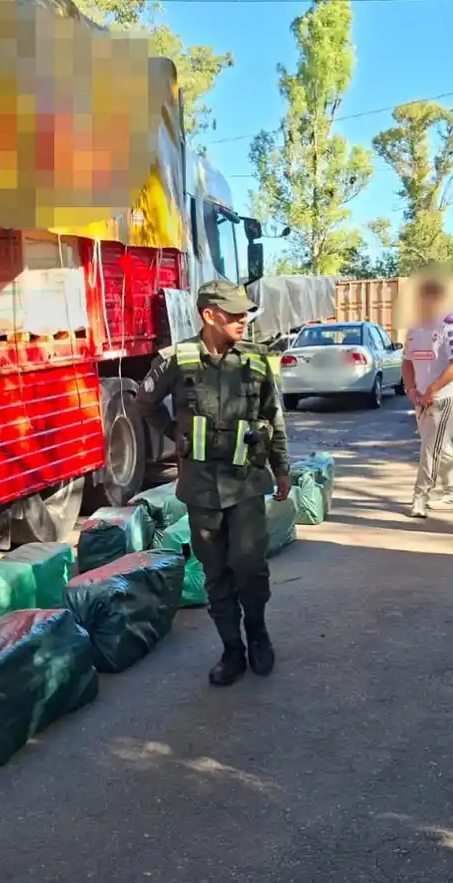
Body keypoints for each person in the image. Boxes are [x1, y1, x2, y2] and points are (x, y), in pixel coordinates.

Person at [138, 279, 292, 687]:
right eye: (234, 314)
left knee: (250, 567)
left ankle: (257, 634)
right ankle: (232, 649)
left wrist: (282, 467)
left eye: (245, 313)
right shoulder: (177, 359)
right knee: (216, 573)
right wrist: (176, 435)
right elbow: (145, 401)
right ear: (209, 315)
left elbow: (273, 415)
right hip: (201, 486)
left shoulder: (256, 360)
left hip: (245, 481)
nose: (244, 320)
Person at [402, 277, 453, 518]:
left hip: (446, 398)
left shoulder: (449, 326)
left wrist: (432, 390)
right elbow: (408, 361)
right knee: (440, 445)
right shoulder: (414, 328)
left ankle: (420, 497)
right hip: (422, 400)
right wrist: (412, 390)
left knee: (431, 448)